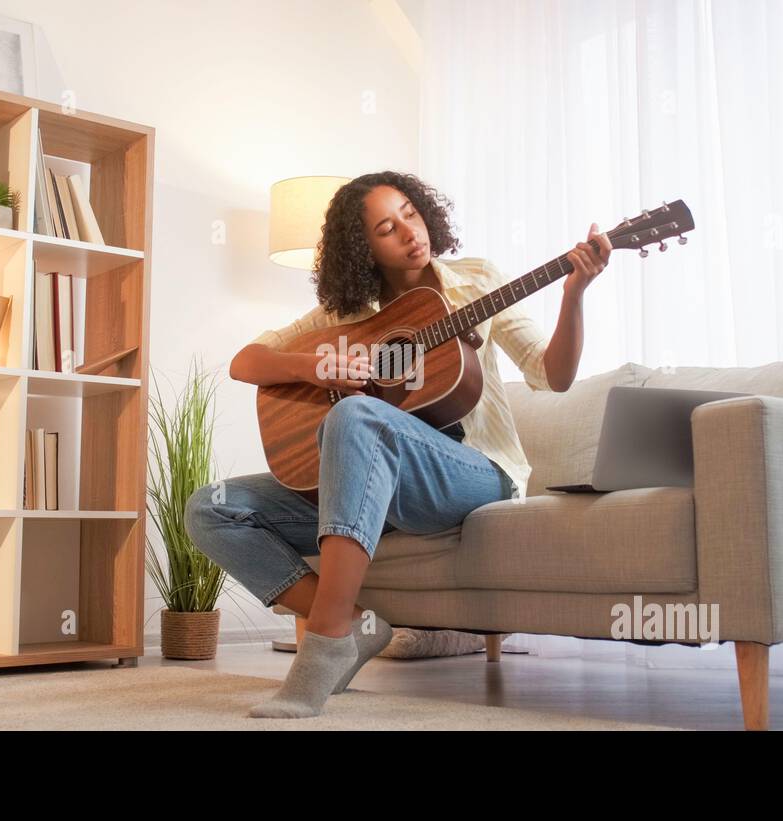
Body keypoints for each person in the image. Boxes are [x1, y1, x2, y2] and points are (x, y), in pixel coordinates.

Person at [184, 171, 611, 718]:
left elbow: (552, 375)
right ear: (364, 249)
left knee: (359, 413)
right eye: (388, 228)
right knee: (211, 508)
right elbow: (247, 362)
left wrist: (573, 295)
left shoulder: (474, 280)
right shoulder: (350, 317)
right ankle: (359, 626)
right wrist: (313, 366)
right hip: (378, 490)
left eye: (411, 213)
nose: (410, 232)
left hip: (474, 474)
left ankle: (323, 646)